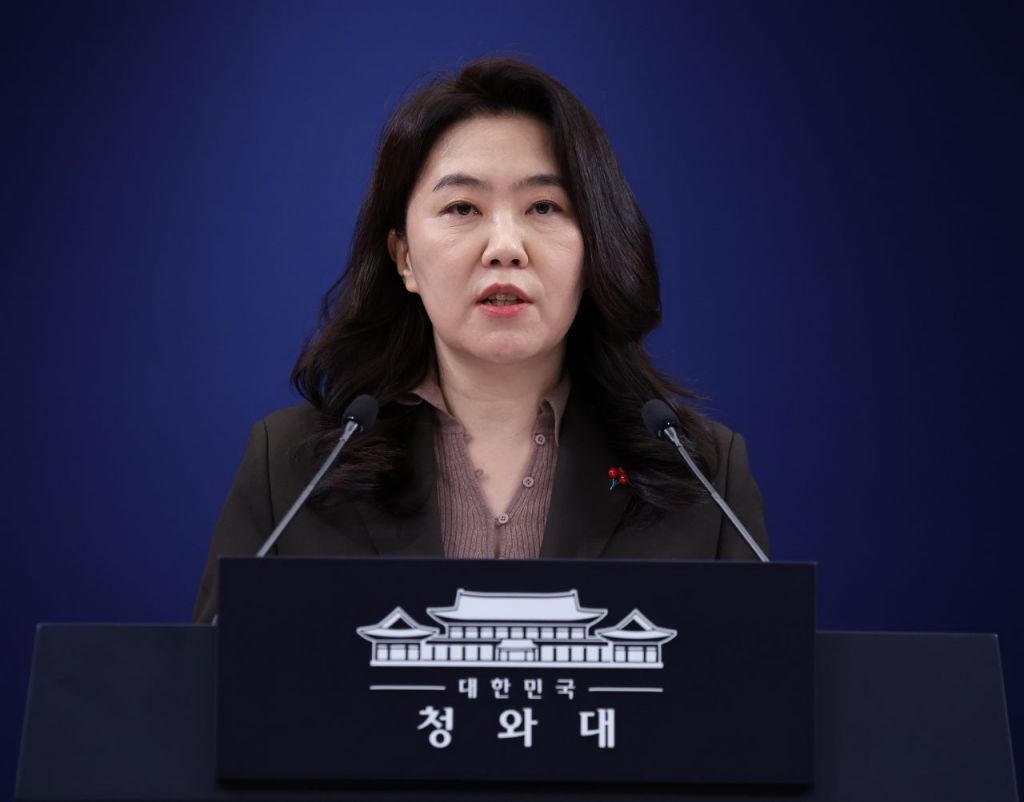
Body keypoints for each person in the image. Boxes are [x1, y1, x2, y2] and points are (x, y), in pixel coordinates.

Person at [193, 57, 768, 623]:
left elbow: (759, 677)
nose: (505, 247)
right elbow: (211, 679)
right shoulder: (294, 466)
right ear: (404, 258)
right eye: (462, 207)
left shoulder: (701, 473)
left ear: (594, 248)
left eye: (544, 206)